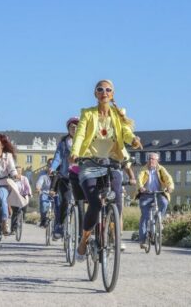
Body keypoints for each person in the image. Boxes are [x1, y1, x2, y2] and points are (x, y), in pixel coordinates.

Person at [69, 79, 143, 258]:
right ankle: (85, 239)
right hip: (89, 162)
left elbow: (125, 132)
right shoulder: (88, 114)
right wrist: (75, 152)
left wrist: (132, 139)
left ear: (112, 94)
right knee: (94, 203)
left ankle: (112, 232)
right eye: (100, 89)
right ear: (95, 94)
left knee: (117, 199)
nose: (104, 92)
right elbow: (79, 135)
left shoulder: (117, 115)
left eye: (108, 90)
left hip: (111, 162)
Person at [48, 116, 79, 240]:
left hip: (80, 176)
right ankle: (59, 226)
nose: (74, 129)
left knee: (81, 202)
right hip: (65, 176)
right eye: (72, 127)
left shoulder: (85, 141)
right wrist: (53, 168)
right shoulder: (63, 143)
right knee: (65, 201)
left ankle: (83, 230)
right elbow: (58, 157)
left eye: (77, 127)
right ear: (68, 129)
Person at [137, 152, 174, 250]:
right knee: (144, 217)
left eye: (153, 159)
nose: (151, 161)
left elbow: (168, 178)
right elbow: (139, 179)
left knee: (164, 202)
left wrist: (170, 187)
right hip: (146, 195)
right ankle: (143, 240)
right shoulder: (143, 169)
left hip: (158, 193)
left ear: (157, 161)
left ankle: (159, 220)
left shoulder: (161, 169)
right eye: (149, 159)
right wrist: (141, 187)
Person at [35, 158, 60, 230]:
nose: (50, 166)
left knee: (58, 208)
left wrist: (56, 192)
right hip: (45, 193)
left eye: (52, 165)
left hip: (55, 193)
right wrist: (38, 188)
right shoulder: (43, 174)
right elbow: (39, 182)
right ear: (47, 165)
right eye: (49, 164)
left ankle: (57, 224)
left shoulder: (57, 174)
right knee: (43, 204)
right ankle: (43, 219)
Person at [10, 166, 32, 235]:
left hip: (23, 195)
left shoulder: (24, 178)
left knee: (25, 205)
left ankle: (23, 215)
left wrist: (29, 193)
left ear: (21, 171)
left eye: (20, 170)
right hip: (15, 196)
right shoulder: (12, 179)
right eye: (17, 170)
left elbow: (28, 186)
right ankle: (13, 229)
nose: (18, 172)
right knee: (15, 212)